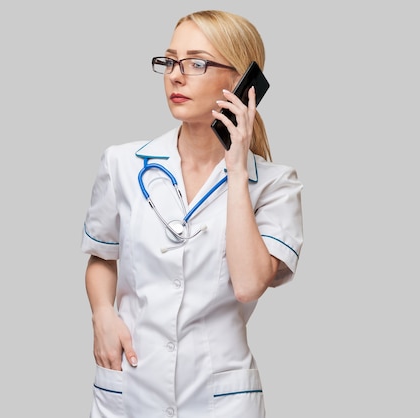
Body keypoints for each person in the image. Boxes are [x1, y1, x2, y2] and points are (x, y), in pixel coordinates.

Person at [80, 9, 304, 418]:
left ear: (241, 83)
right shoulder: (122, 164)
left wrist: (237, 170)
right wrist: (101, 313)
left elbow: (249, 285)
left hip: (221, 398)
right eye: (169, 61)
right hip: (130, 385)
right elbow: (102, 256)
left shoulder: (274, 184)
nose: (176, 76)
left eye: (196, 63)